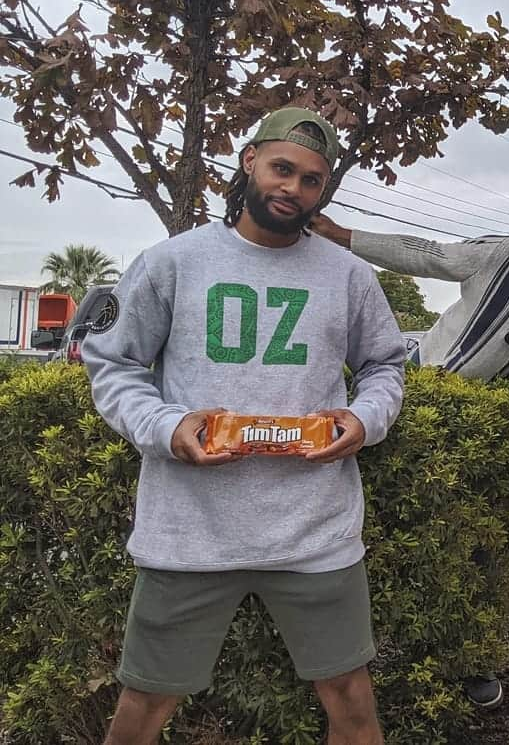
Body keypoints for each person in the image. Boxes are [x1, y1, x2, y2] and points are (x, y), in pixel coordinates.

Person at [82, 107, 406, 745]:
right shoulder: (173, 262)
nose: (294, 188)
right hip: (189, 530)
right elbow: (112, 364)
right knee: (145, 702)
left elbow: (385, 366)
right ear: (250, 159)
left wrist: (363, 420)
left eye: (312, 180)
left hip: (315, 531)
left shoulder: (349, 276)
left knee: (352, 702)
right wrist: (169, 427)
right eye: (283, 168)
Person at [309, 208, 509, 707]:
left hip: (484, 449)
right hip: (413, 407)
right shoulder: (504, 256)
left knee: (476, 557)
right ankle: (349, 654)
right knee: (369, 528)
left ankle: (471, 661)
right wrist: (342, 236)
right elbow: (425, 256)